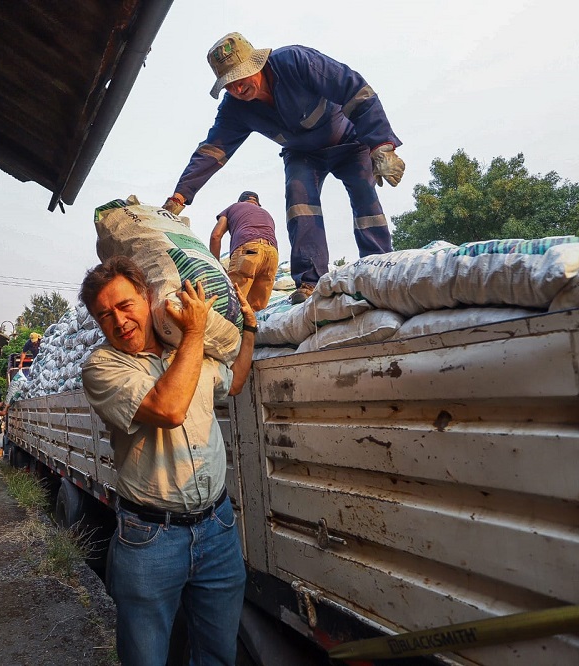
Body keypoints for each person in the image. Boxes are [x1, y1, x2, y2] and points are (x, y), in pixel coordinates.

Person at [79, 256, 257, 666]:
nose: (119, 321)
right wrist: (194, 330)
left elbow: (235, 381)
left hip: (218, 528)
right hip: (150, 540)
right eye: (105, 315)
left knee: (217, 654)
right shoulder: (102, 367)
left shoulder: (190, 349)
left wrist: (249, 329)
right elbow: (169, 407)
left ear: (148, 297)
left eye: (125, 306)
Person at [165, 32, 405, 304]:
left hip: (349, 141)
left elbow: (355, 90)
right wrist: (179, 196)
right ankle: (310, 283)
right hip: (303, 155)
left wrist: (382, 144)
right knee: (299, 202)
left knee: (365, 196)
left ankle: (379, 265)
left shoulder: (295, 61)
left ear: (256, 64)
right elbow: (213, 151)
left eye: (241, 78)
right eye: (228, 84)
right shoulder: (235, 109)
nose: (237, 89)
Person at [209, 190, 279, 311]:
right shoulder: (266, 214)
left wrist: (216, 265)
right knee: (255, 310)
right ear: (257, 203)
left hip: (249, 249)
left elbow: (216, 236)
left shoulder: (233, 208)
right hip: (272, 254)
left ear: (240, 201)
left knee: (233, 301)